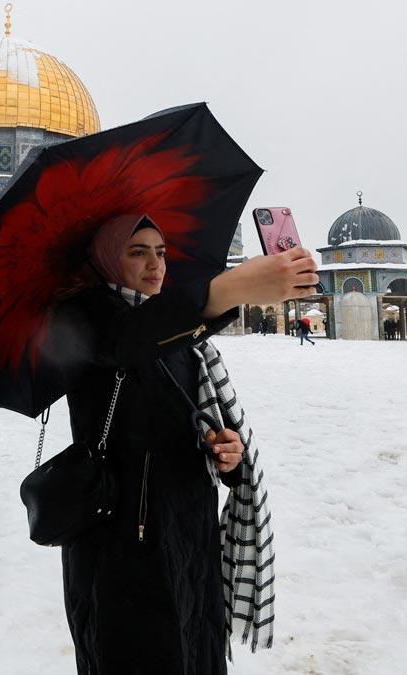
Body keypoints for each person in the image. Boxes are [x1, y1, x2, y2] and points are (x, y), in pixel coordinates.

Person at [46, 214, 316, 674]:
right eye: (138, 252)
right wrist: (229, 289)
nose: (156, 265)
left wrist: (227, 455)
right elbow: (127, 344)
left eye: (161, 252)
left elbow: (191, 421)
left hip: (190, 533)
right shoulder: (83, 316)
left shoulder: (183, 338)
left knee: (196, 649)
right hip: (120, 544)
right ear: (107, 260)